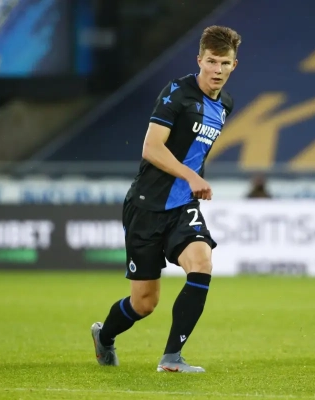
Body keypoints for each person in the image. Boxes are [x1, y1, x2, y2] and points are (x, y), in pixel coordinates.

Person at [90, 25, 241, 373]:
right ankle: (104, 336)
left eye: (224, 63)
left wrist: (190, 180)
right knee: (144, 303)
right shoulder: (177, 94)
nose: (217, 70)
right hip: (146, 206)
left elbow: (193, 149)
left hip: (183, 207)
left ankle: (172, 358)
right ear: (199, 60)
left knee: (201, 262)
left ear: (234, 65)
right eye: (211, 61)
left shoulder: (226, 104)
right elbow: (151, 148)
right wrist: (191, 176)